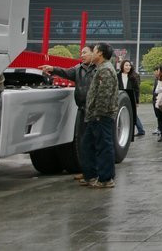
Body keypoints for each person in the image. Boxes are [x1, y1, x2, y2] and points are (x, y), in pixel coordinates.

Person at [39, 45, 95, 180]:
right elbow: (66, 72)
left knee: (94, 141)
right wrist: (52, 69)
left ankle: (95, 172)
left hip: (95, 111)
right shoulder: (78, 69)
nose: (82, 55)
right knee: (83, 142)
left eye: (85, 52)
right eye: (81, 53)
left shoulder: (99, 69)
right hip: (82, 110)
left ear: (94, 53)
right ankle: (87, 171)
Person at [80, 42, 120, 189]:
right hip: (94, 116)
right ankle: (91, 176)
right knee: (87, 146)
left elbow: (104, 95)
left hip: (101, 116)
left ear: (100, 53)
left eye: (95, 50)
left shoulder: (105, 70)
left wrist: (98, 114)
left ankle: (106, 179)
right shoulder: (101, 68)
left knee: (104, 147)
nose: (92, 53)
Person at [118, 60, 145, 136]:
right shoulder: (117, 76)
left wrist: (137, 101)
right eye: (126, 65)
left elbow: (137, 90)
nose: (128, 67)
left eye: (129, 65)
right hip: (120, 98)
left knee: (132, 114)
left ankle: (137, 131)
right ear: (122, 66)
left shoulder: (133, 77)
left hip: (130, 98)